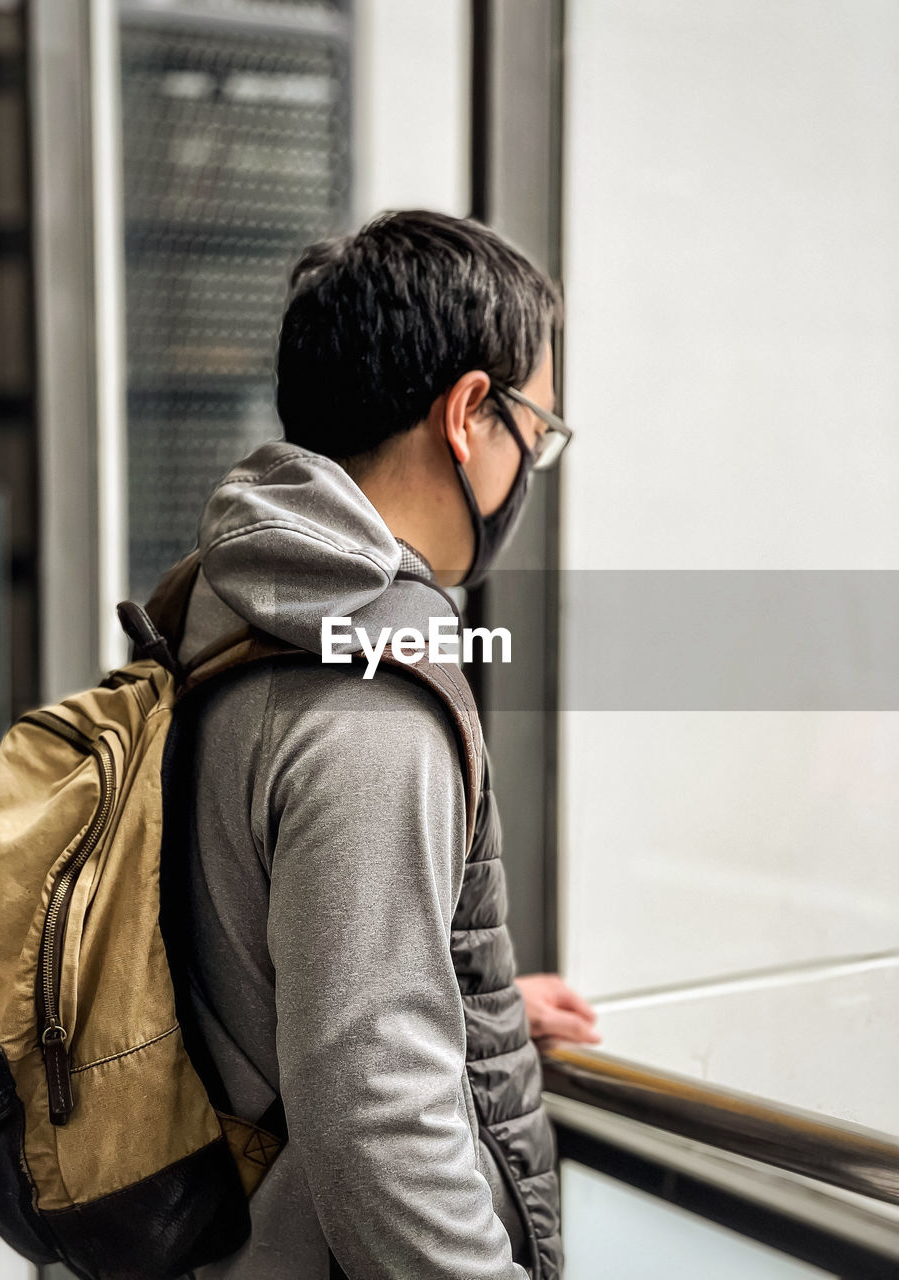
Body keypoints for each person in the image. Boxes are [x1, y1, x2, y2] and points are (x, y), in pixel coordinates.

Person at [158, 211, 600, 1280]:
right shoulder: (369, 687)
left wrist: (455, 989)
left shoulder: (233, 598)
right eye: (534, 425)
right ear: (467, 413)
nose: (532, 459)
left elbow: (277, 941)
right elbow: (377, 1117)